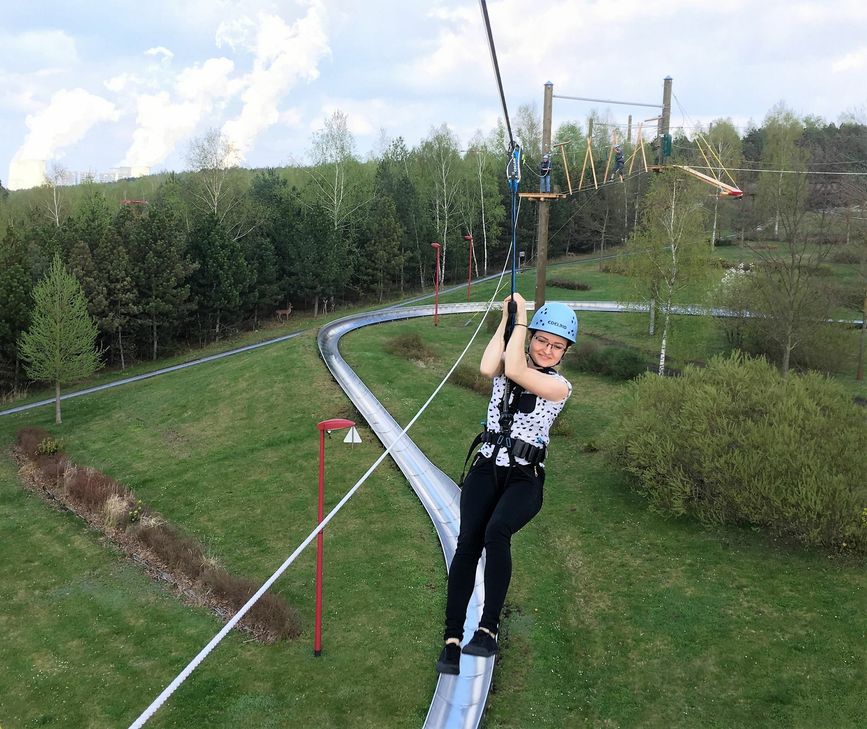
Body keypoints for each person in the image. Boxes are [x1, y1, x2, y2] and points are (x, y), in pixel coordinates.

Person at [435, 293, 577, 675]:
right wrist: (507, 318)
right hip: (487, 467)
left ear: (564, 352)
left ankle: (488, 630)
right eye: (542, 340)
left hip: (523, 478)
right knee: (468, 544)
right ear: (530, 339)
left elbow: (515, 369)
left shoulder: (559, 387)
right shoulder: (507, 362)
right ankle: (451, 641)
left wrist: (525, 316)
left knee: (497, 532)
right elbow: (487, 366)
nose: (547, 349)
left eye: (556, 345)